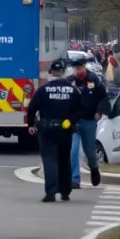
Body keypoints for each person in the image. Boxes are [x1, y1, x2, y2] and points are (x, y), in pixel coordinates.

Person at [26, 59, 82, 203]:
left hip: (47, 129)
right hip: (65, 129)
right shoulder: (72, 89)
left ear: (51, 72)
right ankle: (65, 192)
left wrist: (31, 124)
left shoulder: (44, 89)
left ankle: (51, 192)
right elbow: (80, 108)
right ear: (63, 72)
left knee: (50, 159)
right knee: (64, 159)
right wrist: (71, 120)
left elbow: (32, 107)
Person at [67, 57, 109, 188]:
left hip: (89, 120)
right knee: (73, 150)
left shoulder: (93, 79)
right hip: (74, 122)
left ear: (84, 66)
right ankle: (74, 179)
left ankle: (94, 168)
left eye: (78, 67)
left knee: (90, 152)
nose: (76, 70)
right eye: (74, 68)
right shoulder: (70, 81)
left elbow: (103, 97)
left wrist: (99, 110)